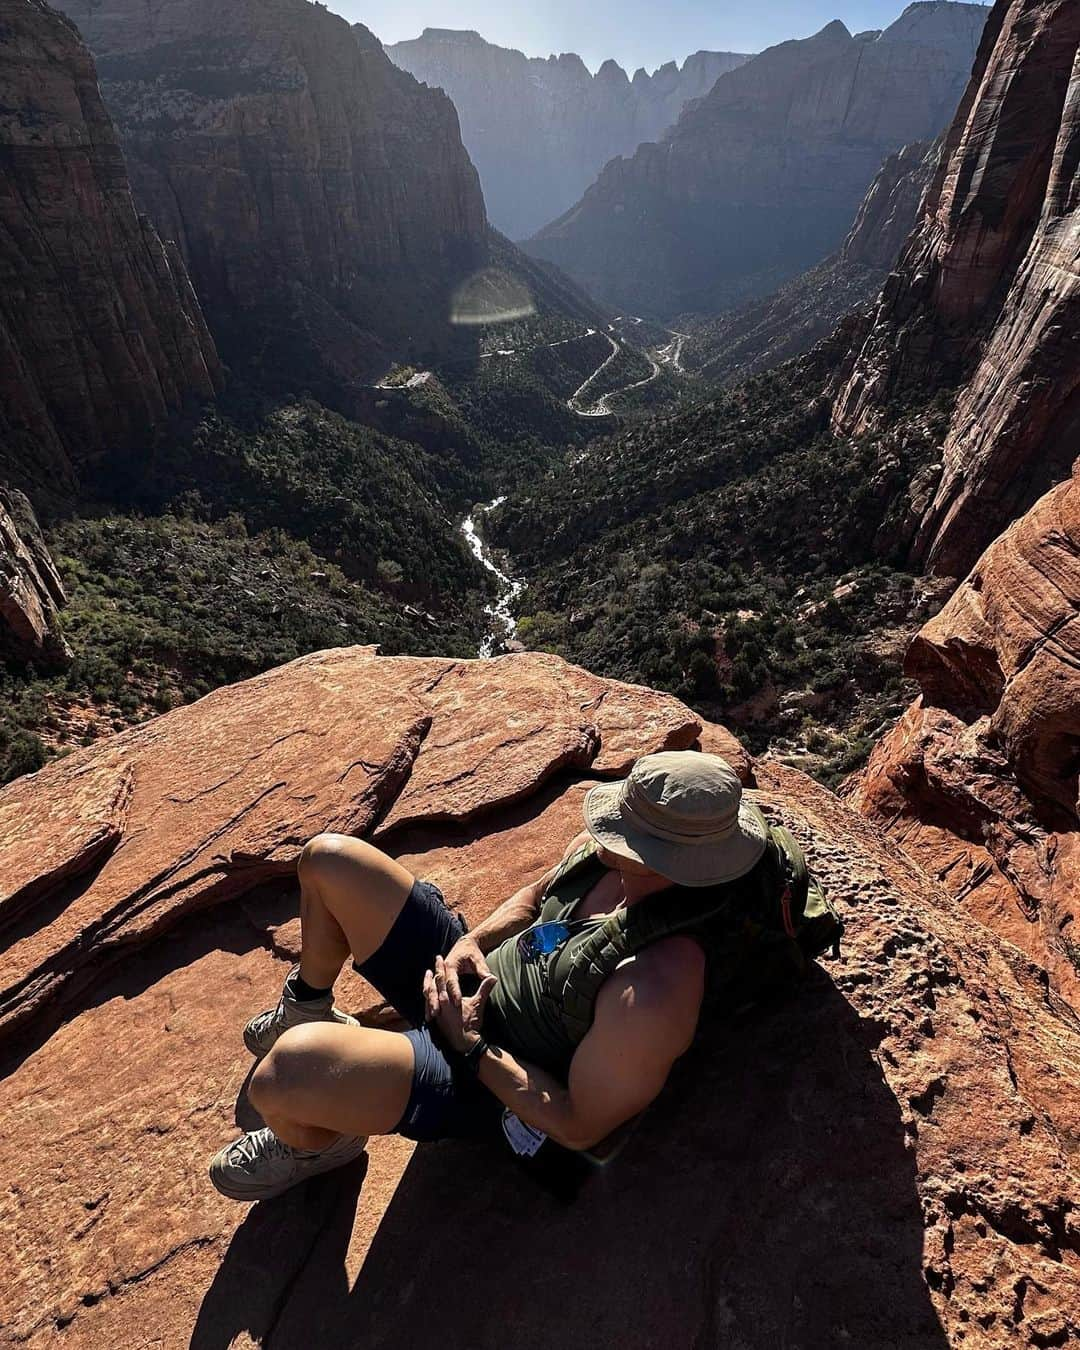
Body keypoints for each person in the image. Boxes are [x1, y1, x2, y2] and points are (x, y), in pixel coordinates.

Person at [210, 750, 771, 1201]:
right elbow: (535, 898)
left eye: (625, 833)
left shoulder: (656, 987)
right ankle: (307, 1002)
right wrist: (470, 943)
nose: (605, 833)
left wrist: (467, 1043)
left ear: (664, 859)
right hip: (468, 978)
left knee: (280, 1077)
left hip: (485, 1067)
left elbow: (579, 1124)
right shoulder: (609, 852)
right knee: (329, 859)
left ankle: (321, 1145)